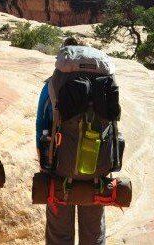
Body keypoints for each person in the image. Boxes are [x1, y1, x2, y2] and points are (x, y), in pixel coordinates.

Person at [36, 37, 107, 245]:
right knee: (94, 235)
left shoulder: (52, 86)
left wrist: (44, 164)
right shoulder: (103, 84)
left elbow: (41, 125)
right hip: (95, 168)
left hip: (60, 169)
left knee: (59, 235)